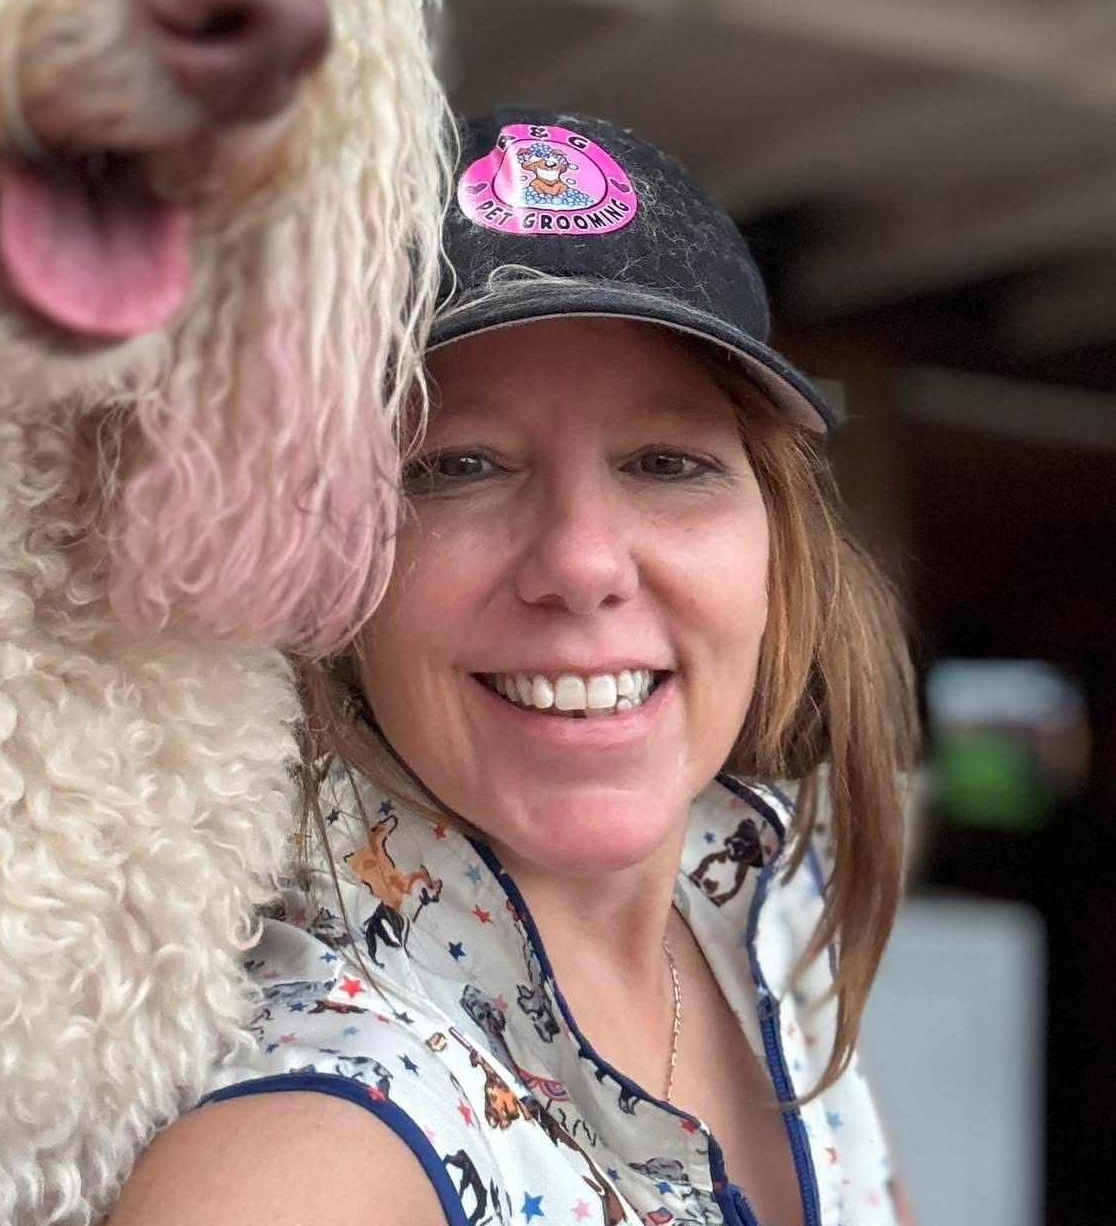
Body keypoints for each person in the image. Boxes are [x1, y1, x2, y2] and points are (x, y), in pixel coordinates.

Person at [112, 108, 917, 1226]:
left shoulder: (773, 906)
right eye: (460, 465)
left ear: (777, 541)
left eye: (667, 460)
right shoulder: (312, 1142)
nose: (582, 562)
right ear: (329, 572)